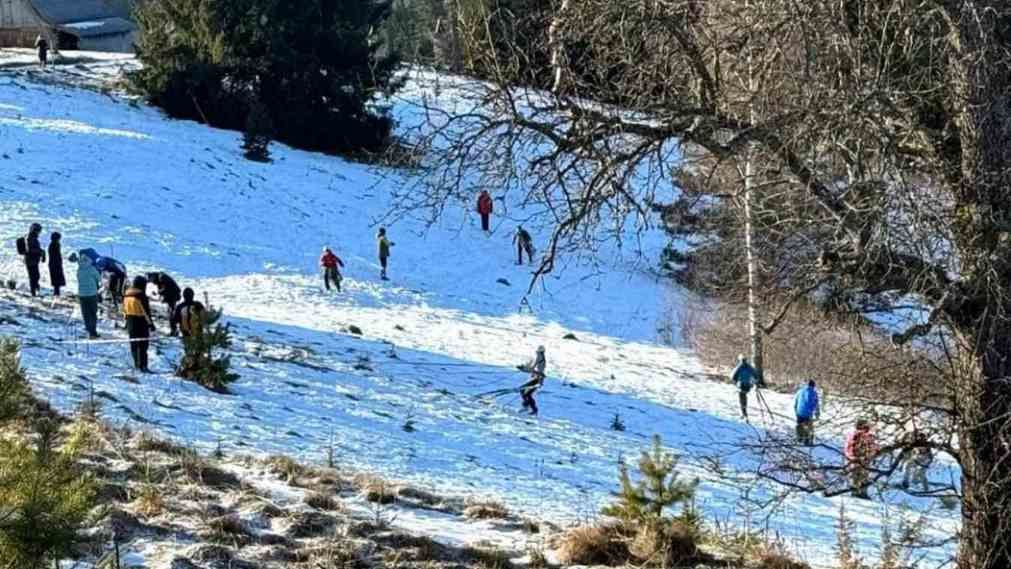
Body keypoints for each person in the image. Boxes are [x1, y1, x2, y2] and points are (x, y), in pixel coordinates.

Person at [123, 275, 155, 372]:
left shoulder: (126, 295)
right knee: (143, 345)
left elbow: (124, 310)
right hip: (141, 322)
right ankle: (143, 366)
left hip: (130, 321)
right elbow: (146, 312)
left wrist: (126, 321)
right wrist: (151, 324)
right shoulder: (141, 296)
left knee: (134, 344)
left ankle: (136, 364)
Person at [844, 419, 878, 499]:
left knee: (858, 475)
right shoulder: (858, 435)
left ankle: (859, 492)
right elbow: (852, 447)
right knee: (860, 475)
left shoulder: (852, 434)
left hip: (856, 458)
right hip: (859, 458)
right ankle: (859, 492)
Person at [72, 252, 101, 339]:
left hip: (82, 294)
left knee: (86, 313)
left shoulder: (79, 269)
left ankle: (88, 330)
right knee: (93, 313)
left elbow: (78, 279)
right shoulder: (92, 268)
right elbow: (98, 278)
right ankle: (93, 332)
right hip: (92, 294)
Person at [519, 345, 547, 415]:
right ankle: (529, 407)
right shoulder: (540, 357)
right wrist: (524, 368)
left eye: (539, 352)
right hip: (536, 378)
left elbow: (533, 369)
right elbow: (533, 369)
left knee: (526, 393)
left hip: (538, 379)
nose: (538, 353)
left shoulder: (540, 358)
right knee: (525, 392)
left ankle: (530, 408)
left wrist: (523, 369)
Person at [730, 354, 760, 419]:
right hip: (747, 385)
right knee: (743, 396)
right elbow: (756, 375)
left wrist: (735, 382)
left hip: (741, 385)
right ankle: (744, 411)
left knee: (742, 397)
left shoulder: (739, 367)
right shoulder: (749, 367)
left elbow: (733, 376)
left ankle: (744, 412)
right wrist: (754, 382)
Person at [793, 380, 820, 445]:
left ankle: (799, 438)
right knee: (809, 427)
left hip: (799, 411)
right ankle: (807, 440)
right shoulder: (814, 393)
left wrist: (796, 411)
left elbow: (795, 402)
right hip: (808, 413)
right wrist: (817, 414)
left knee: (799, 424)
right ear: (813, 386)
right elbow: (816, 405)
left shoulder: (800, 391)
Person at [23, 223, 45, 297]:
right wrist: (40, 252)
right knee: (34, 277)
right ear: (35, 230)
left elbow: (33, 249)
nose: (39, 232)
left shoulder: (32, 237)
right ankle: (33, 293)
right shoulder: (30, 238)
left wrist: (41, 251)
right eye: (39, 231)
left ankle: (35, 291)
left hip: (32, 260)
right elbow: (30, 250)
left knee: (35, 276)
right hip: (30, 261)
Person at [47, 232, 66, 297]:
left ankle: (56, 293)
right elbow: (57, 255)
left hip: (53, 263)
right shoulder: (55, 244)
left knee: (56, 281)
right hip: (55, 264)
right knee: (57, 280)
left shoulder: (52, 244)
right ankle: (56, 294)